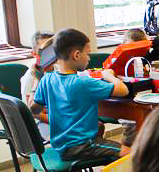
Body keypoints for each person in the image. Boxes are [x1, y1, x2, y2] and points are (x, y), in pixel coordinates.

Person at [31, 28, 130, 162]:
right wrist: (108, 75)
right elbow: (123, 90)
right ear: (76, 55)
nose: (89, 58)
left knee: (108, 141)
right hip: (83, 146)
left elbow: (34, 109)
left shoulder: (47, 79)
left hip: (60, 146)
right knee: (134, 153)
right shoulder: (83, 83)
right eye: (87, 54)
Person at [20, 31, 66, 172]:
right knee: (67, 136)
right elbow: (34, 112)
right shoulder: (31, 77)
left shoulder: (60, 71)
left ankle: (74, 170)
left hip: (58, 117)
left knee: (95, 126)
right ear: (35, 53)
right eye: (45, 50)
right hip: (39, 123)